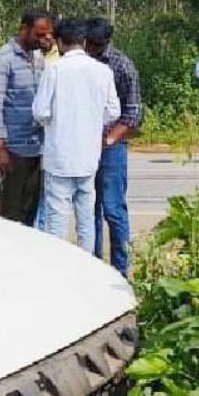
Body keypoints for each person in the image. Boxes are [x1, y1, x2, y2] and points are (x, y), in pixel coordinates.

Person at [32, 19, 120, 253]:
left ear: (60, 42)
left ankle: (59, 269)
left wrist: (57, 122)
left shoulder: (55, 70)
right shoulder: (103, 71)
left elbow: (40, 111)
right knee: (87, 219)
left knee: (56, 220)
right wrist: (91, 121)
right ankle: (87, 267)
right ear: (83, 41)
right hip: (88, 156)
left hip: (59, 157)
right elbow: (114, 111)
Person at [85, 18, 143, 276]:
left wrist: (108, 140)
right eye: (91, 44)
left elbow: (133, 114)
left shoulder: (122, 65)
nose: (94, 49)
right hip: (83, 145)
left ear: (107, 42)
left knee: (113, 208)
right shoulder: (80, 64)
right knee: (89, 210)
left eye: (99, 45)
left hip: (112, 146)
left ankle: (121, 270)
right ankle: (94, 267)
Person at [0, 9, 53, 225]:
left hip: (38, 147)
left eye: (47, 35)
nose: (44, 39)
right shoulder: (3, 59)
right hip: (14, 149)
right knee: (10, 214)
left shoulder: (39, 58)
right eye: (39, 35)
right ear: (24, 29)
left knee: (30, 211)